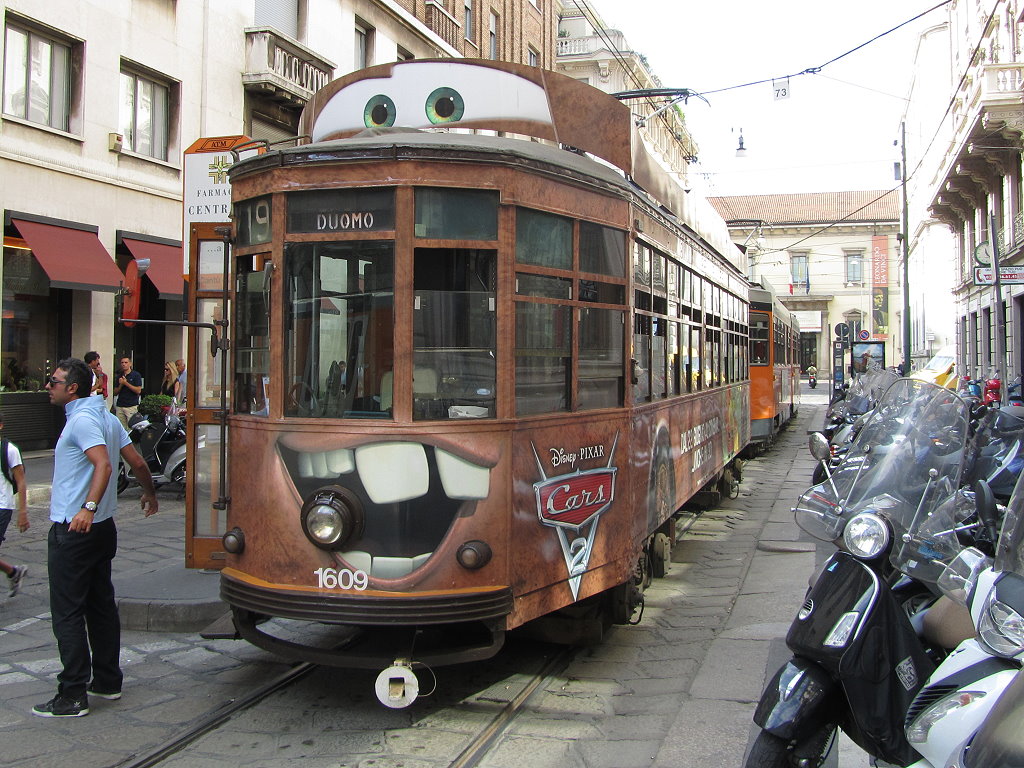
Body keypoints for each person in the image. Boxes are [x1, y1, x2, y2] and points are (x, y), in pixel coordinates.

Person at [33, 358, 158, 718]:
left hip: (76, 529)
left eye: (53, 381)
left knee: (68, 612)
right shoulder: (104, 417)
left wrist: (86, 507)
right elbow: (137, 462)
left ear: (72, 387)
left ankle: (72, 694)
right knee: (101, 605)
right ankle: (106, 680)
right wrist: (148, 493)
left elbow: (103, 464)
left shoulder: (84, 420)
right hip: (103, 529)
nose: (48, 386)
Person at [0, 411, 29, 597]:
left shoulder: (9, 449)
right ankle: (13, 571)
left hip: (2, 505)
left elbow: (21, 481)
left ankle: (13, 572)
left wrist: (23, 512)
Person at [113, 356, 143, 429]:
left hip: (131, 405)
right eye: (122, 363)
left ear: (130, 364)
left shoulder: (136, 375)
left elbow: (138, 390)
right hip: (120, 405)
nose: (124, 364)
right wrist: (121, 384)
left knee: (131, 428)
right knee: (121, 428)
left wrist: (126, 383)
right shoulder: (119, 376)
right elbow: (115, 392)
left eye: (126, 362)